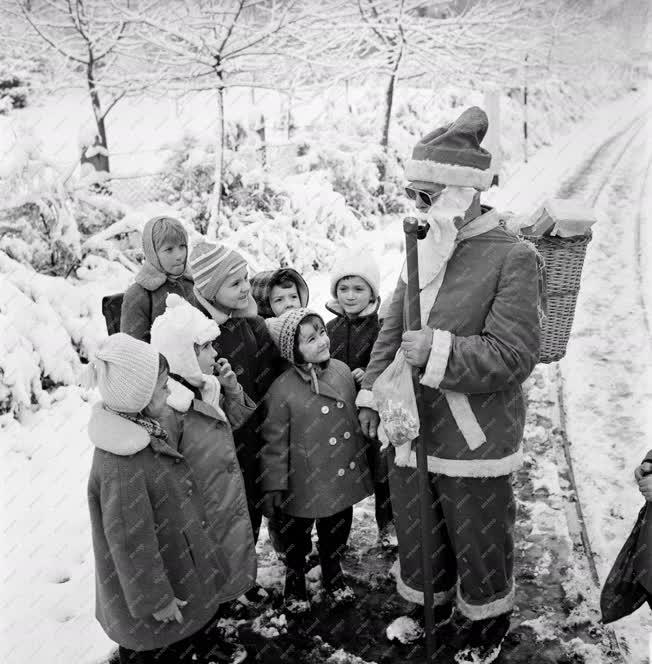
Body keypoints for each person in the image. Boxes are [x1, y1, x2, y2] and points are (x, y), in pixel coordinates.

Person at [357, 106, 542, 663]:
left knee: (478, 529)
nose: (415, 207)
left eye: (425, 194)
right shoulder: (424, 244)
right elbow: (394, 321)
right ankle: (427, 603)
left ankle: (486, 618)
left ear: (461, 192)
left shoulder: (514, 257)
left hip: (475, 430)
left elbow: (514, 354)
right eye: (413, 194)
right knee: (419, 524)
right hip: (412, 419)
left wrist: (437, 349)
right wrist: (371, 388)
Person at [85, 333, 254, 664]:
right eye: (162, 386)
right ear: (138, 397)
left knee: (181, 636)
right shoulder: (123, 463)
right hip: (154, 600)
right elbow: (131, 542)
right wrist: (155, 599)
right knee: (157, 649)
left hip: (176, 563)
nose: (168, 391)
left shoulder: (141, 430)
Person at [260, 308, 373, 612]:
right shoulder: (282, 390)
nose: (322, 341)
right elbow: (274, 443)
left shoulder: (342, 372)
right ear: (293, 351)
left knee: (337, 525)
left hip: (340, 475)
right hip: (304, 482)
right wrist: (273, 485)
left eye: (322, 332)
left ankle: (332, 569)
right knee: (295, 534)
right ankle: (295, 576)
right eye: (310, 339)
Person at [188, 242, 280, 603]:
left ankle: (245, 577)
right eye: (234, 283)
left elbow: (275, 376)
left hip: (255, 436)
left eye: (245, 278)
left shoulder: (254, 326)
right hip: (218, 444)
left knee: (251, 509)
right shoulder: (199, 335)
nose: (245, 288)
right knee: (221, 515)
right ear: (211, 291)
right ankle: (219, 584)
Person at [325, 249, 393, 544]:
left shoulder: (381, 329)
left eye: (358, 289)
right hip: (340, 417)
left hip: (374, 414)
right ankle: (337, 538)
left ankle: (388, 527)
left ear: (372, 293)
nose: (350, 296)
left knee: (382, 472)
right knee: (342, 474)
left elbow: (390, 365)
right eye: (343, 288)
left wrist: (369, 375)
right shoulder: (328, 329)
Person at [121, 216, 197, 342]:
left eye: (182, 246)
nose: (179, 256)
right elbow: (134, 350)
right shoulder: (138, 295)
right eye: (169, 249)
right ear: (152, 253)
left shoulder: (195, 283)